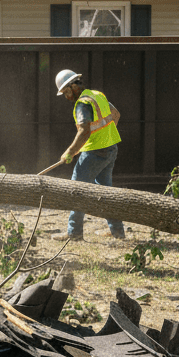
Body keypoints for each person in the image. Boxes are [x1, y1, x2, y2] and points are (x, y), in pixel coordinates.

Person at [55, 69, 125, 241]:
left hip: (95, 152)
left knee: (77, 191)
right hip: (110, 148)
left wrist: (69, 152)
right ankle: (117, 231)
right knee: (105, 191)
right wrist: (104, 136)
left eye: (66, 92)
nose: (66, 97)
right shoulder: (96, 95)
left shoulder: (82, 104)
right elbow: (115, 115)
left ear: (73, 86)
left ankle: (74, 233)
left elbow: (84, 130)